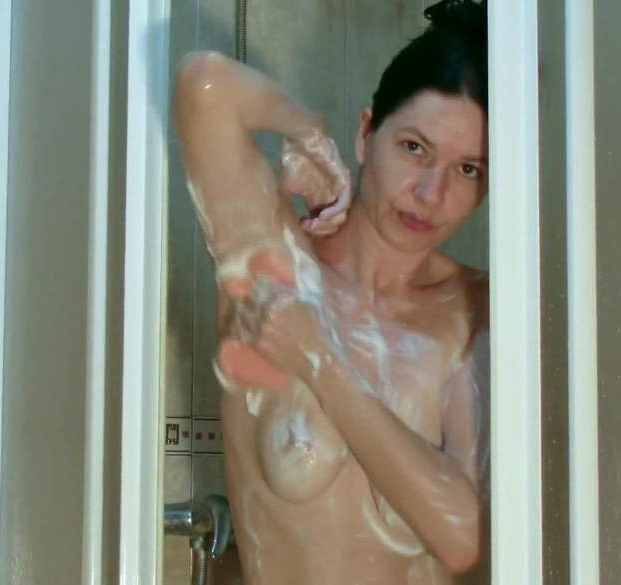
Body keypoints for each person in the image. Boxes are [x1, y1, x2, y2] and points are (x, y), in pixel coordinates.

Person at [172, 1, 489, 583]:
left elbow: (461, 538)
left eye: (468, 169)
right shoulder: (278, 269)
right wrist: (306, 132)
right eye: (414, 147)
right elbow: (204, 85)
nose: (431, 193)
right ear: (367, 134)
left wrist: (320, 360)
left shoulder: (474, 310)